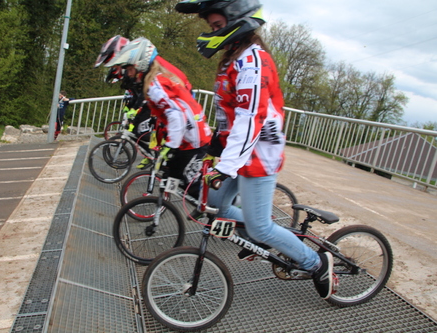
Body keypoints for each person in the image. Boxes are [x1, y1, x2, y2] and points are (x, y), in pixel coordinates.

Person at [175, 0, 335, 300]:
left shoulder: (252, 61)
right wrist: (216, 146)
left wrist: (225, 166)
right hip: (238, 152)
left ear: (237, 20)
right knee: (215, 206)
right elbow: (230, 113)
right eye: (212, 27)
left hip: (260, 154)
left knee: (261, 229)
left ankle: (316, 263)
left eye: (217, 26)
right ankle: (255, 228)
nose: (213, 33)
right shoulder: (232, 58)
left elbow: (251, 117)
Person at [105, 37, 212, 195]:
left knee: (196, 189)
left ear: (139, 65)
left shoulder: (155, 85)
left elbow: (176, 116)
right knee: (173, 175)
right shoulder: (154, 80)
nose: (127, 74)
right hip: (187, 138)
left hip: (194, 140)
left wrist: (170, 146)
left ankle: (226, 210)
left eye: (129, 70)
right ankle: (167, 205)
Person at [95, 35, 195, 169]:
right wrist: (132, 109)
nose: (123, 71)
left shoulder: (148, 68)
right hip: (168, 102)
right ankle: (155, 157)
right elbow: (139, 94)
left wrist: (136, 109)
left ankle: (160, 159)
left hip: (182, 101)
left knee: (148, 132)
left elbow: (145, 93)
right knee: (148, 132)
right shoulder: (140, 69)